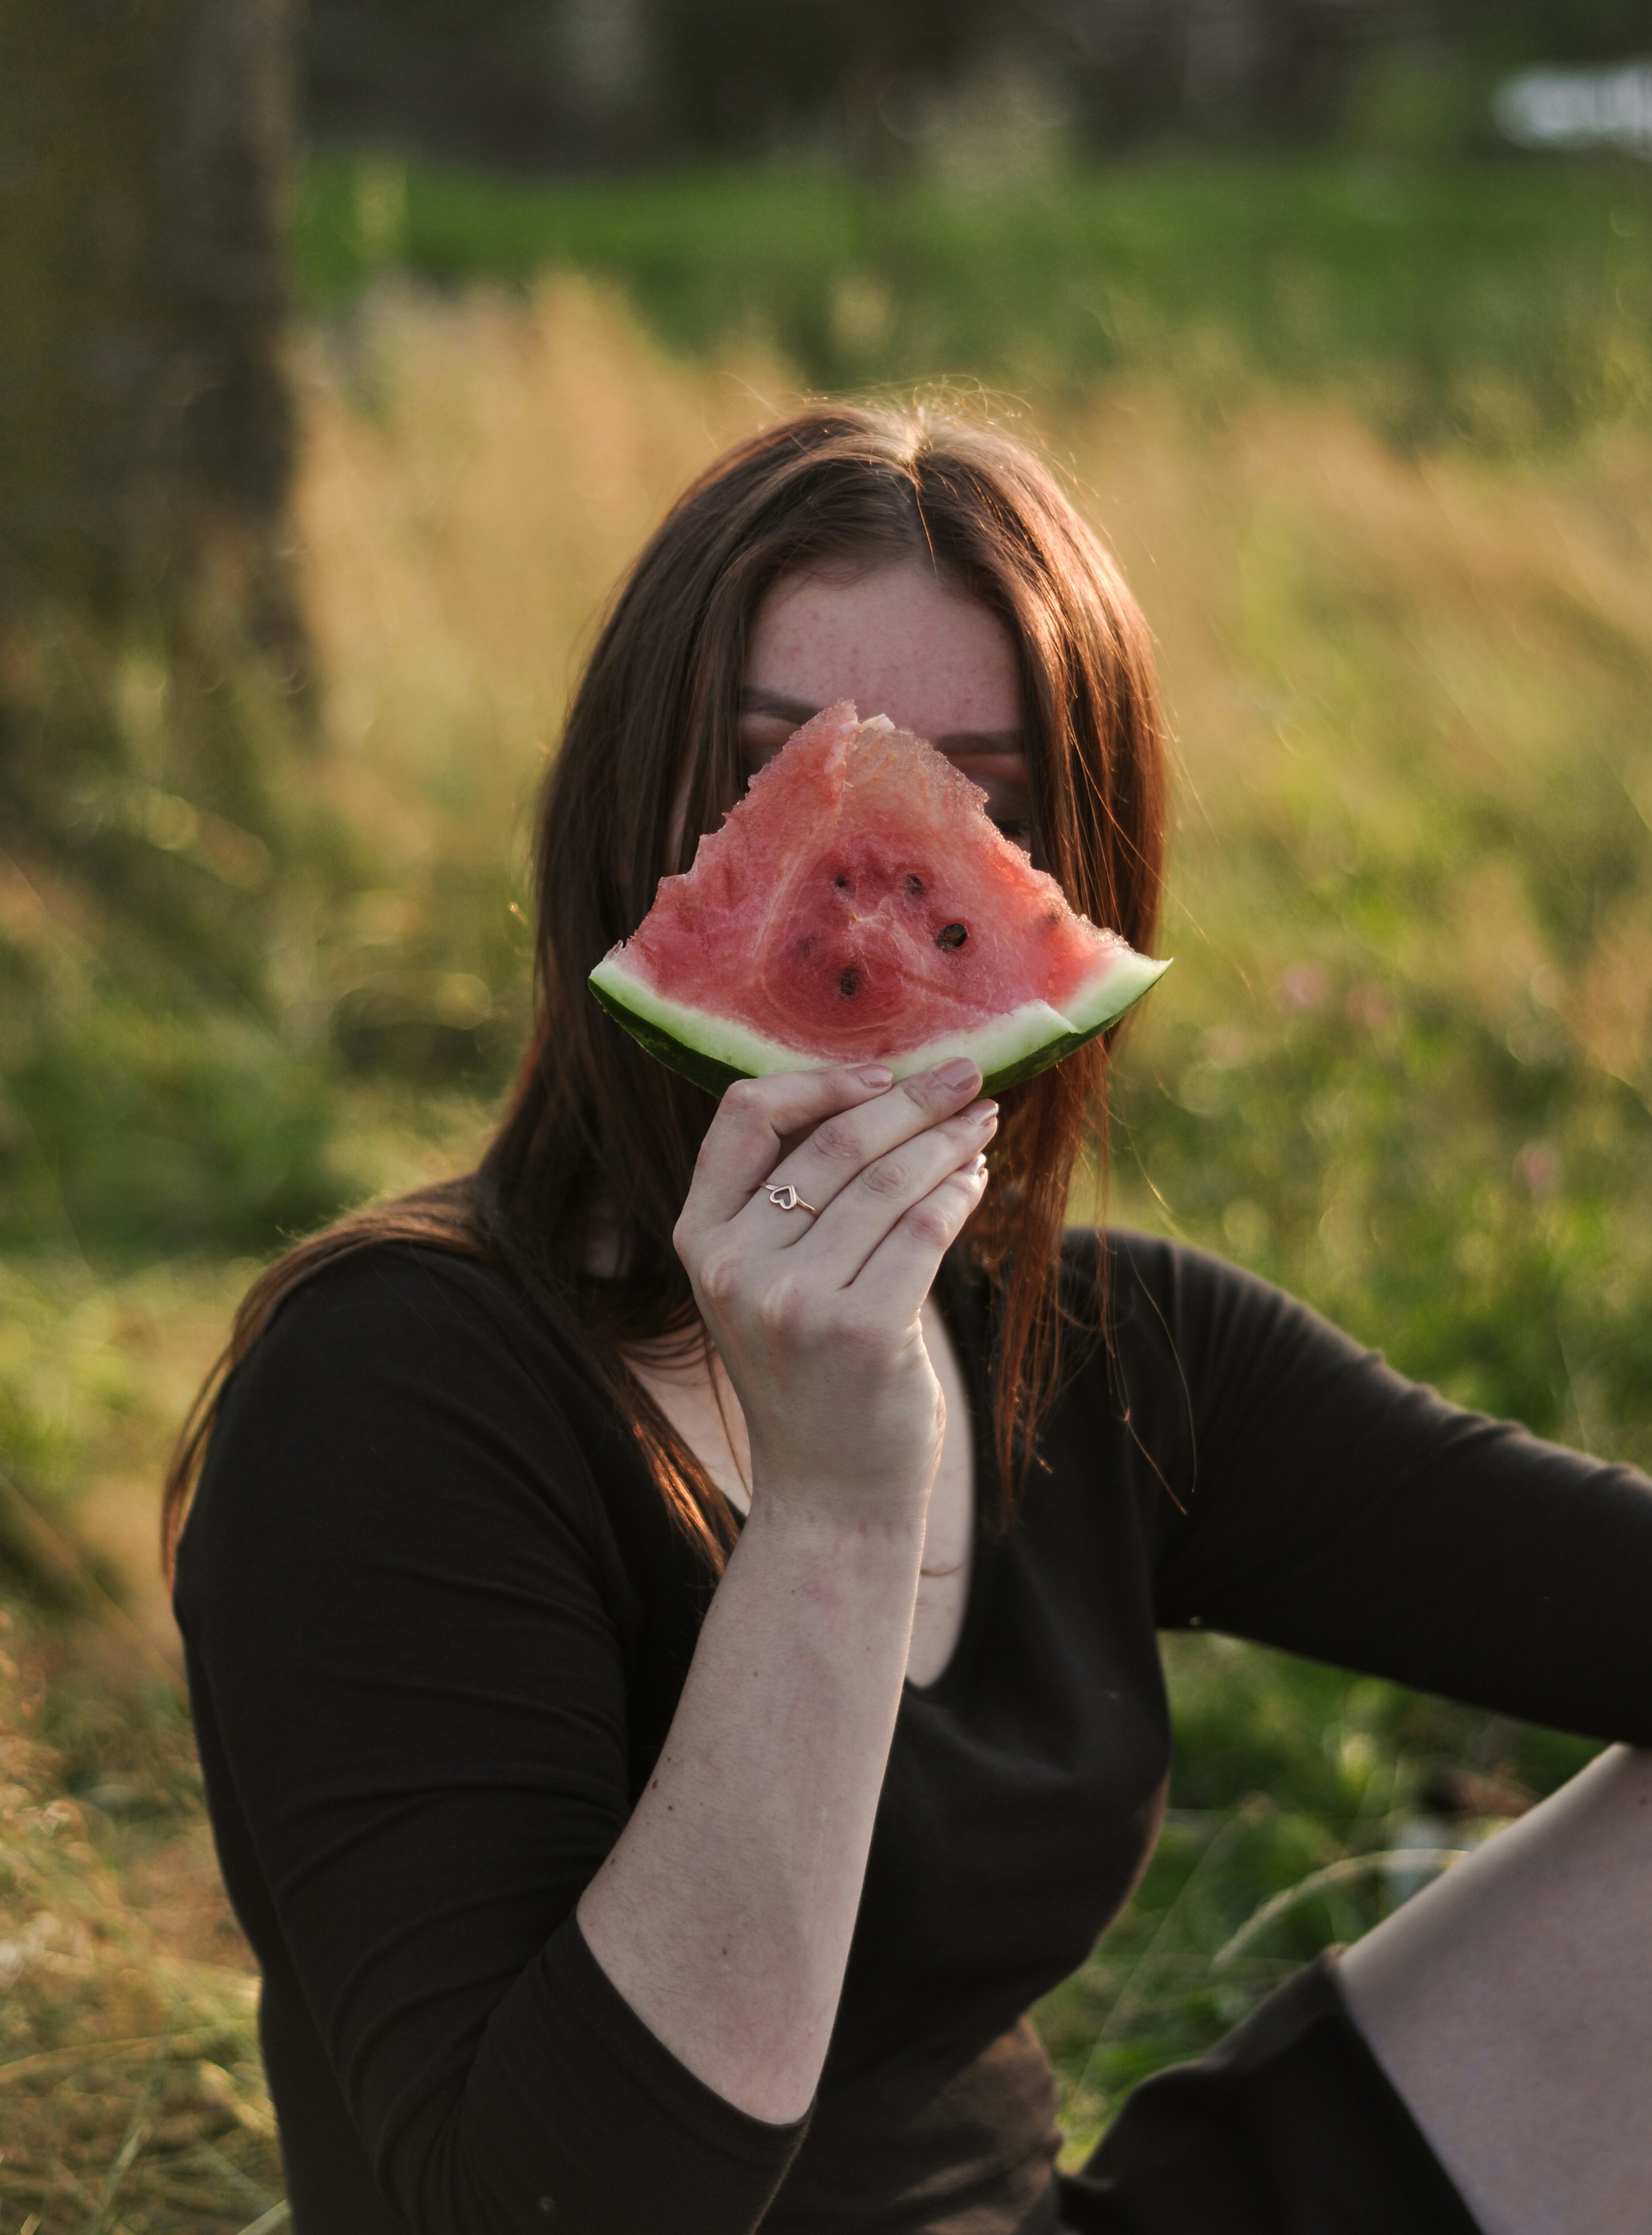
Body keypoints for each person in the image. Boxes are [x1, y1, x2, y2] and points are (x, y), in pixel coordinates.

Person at [166, 407, 1652, 2235]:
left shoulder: (1104, 1353)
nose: (858, 877)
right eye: (767, 780)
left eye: (981, 813)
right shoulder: (392, 1391)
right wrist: (841, 1514)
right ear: (615, 826)